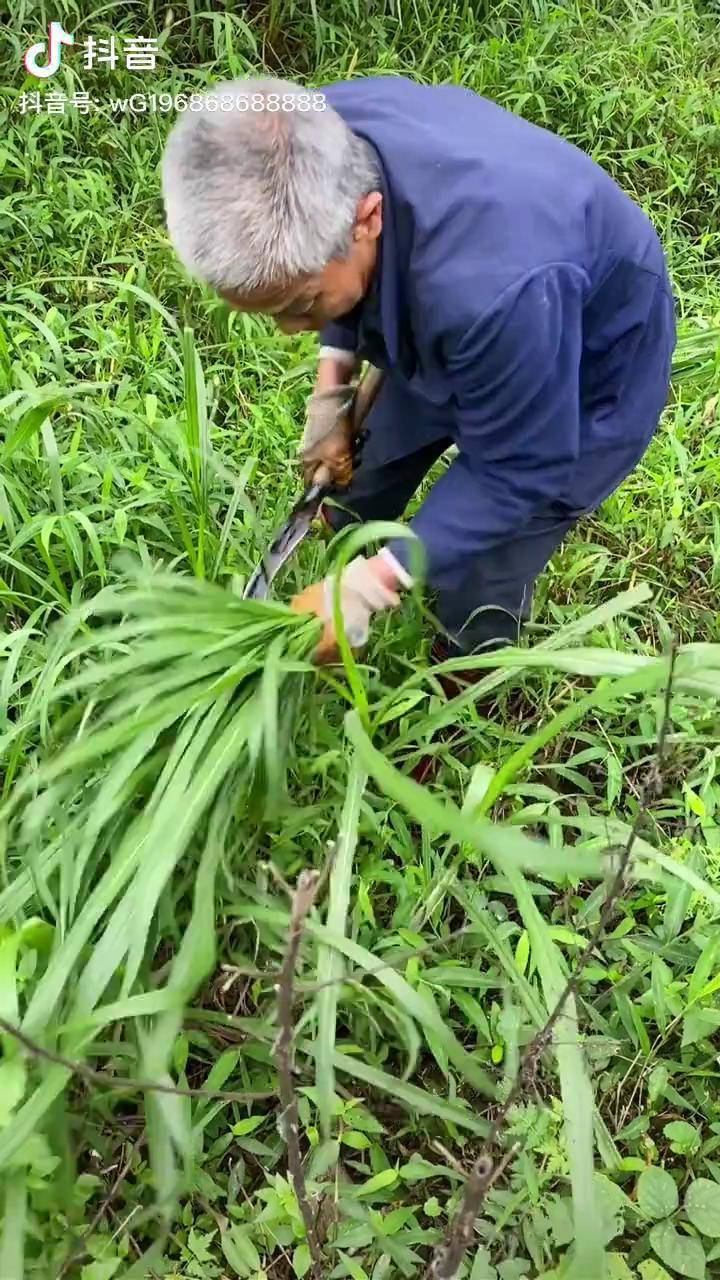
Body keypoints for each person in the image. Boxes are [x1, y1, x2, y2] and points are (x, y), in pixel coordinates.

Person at [161, 76, 676, 665]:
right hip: (471, 305)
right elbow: (328, 274)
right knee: (363, 471)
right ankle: (347, 546)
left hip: (586, 354)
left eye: (300, 307)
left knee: (486, 565)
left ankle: (462, 676)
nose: (288, 331)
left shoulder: (490, 292)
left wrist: (373, 584)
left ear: (367, 219)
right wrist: (333, 391)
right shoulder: (303, 136)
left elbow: (518, 468)